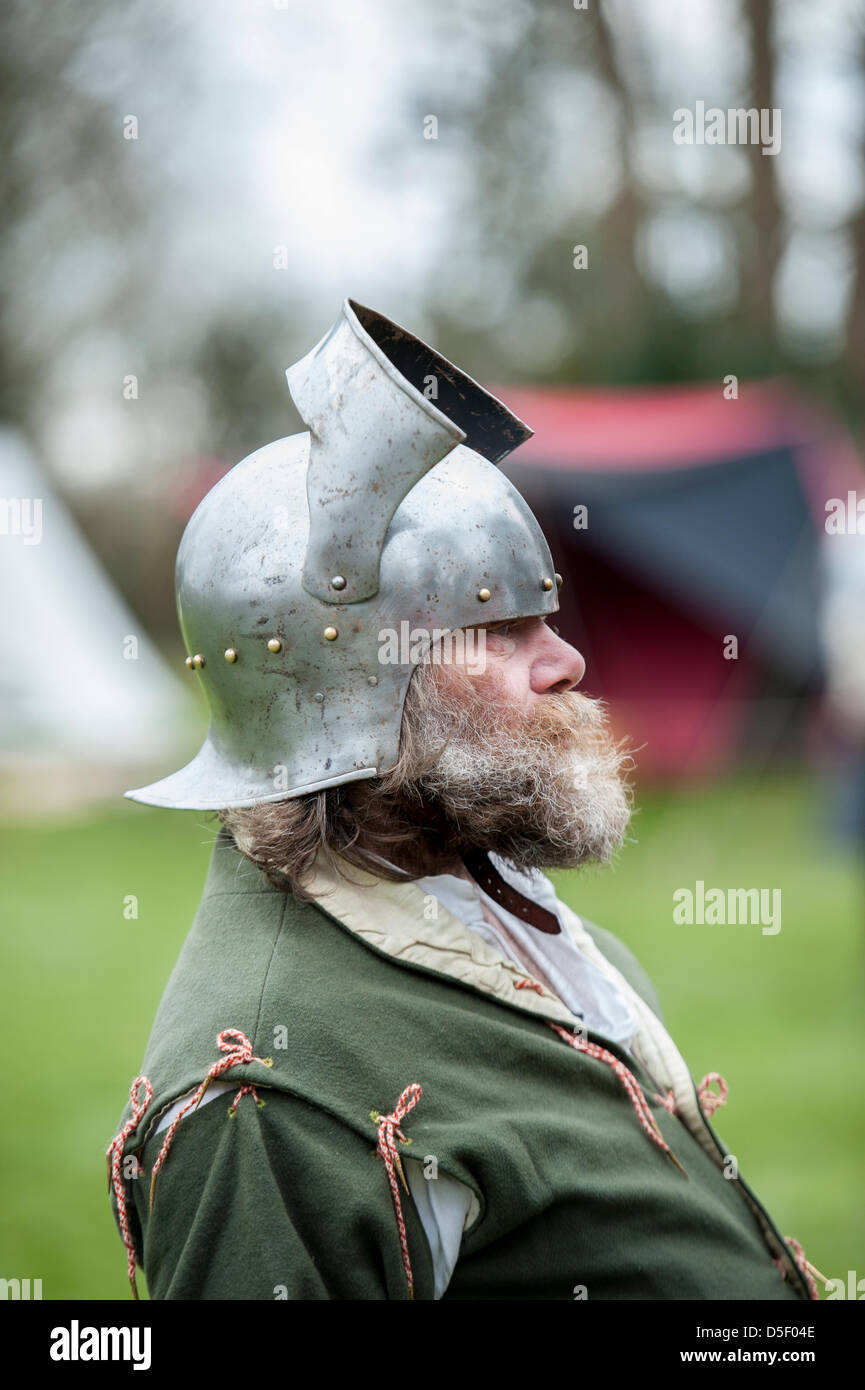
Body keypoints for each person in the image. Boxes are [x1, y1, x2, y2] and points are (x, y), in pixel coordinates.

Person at [107, 299, 822, 1301]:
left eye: (549, 617)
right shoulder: (270, 1101)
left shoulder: (485, 894)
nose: (567, 660)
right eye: (499, 631)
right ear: (349, 678)